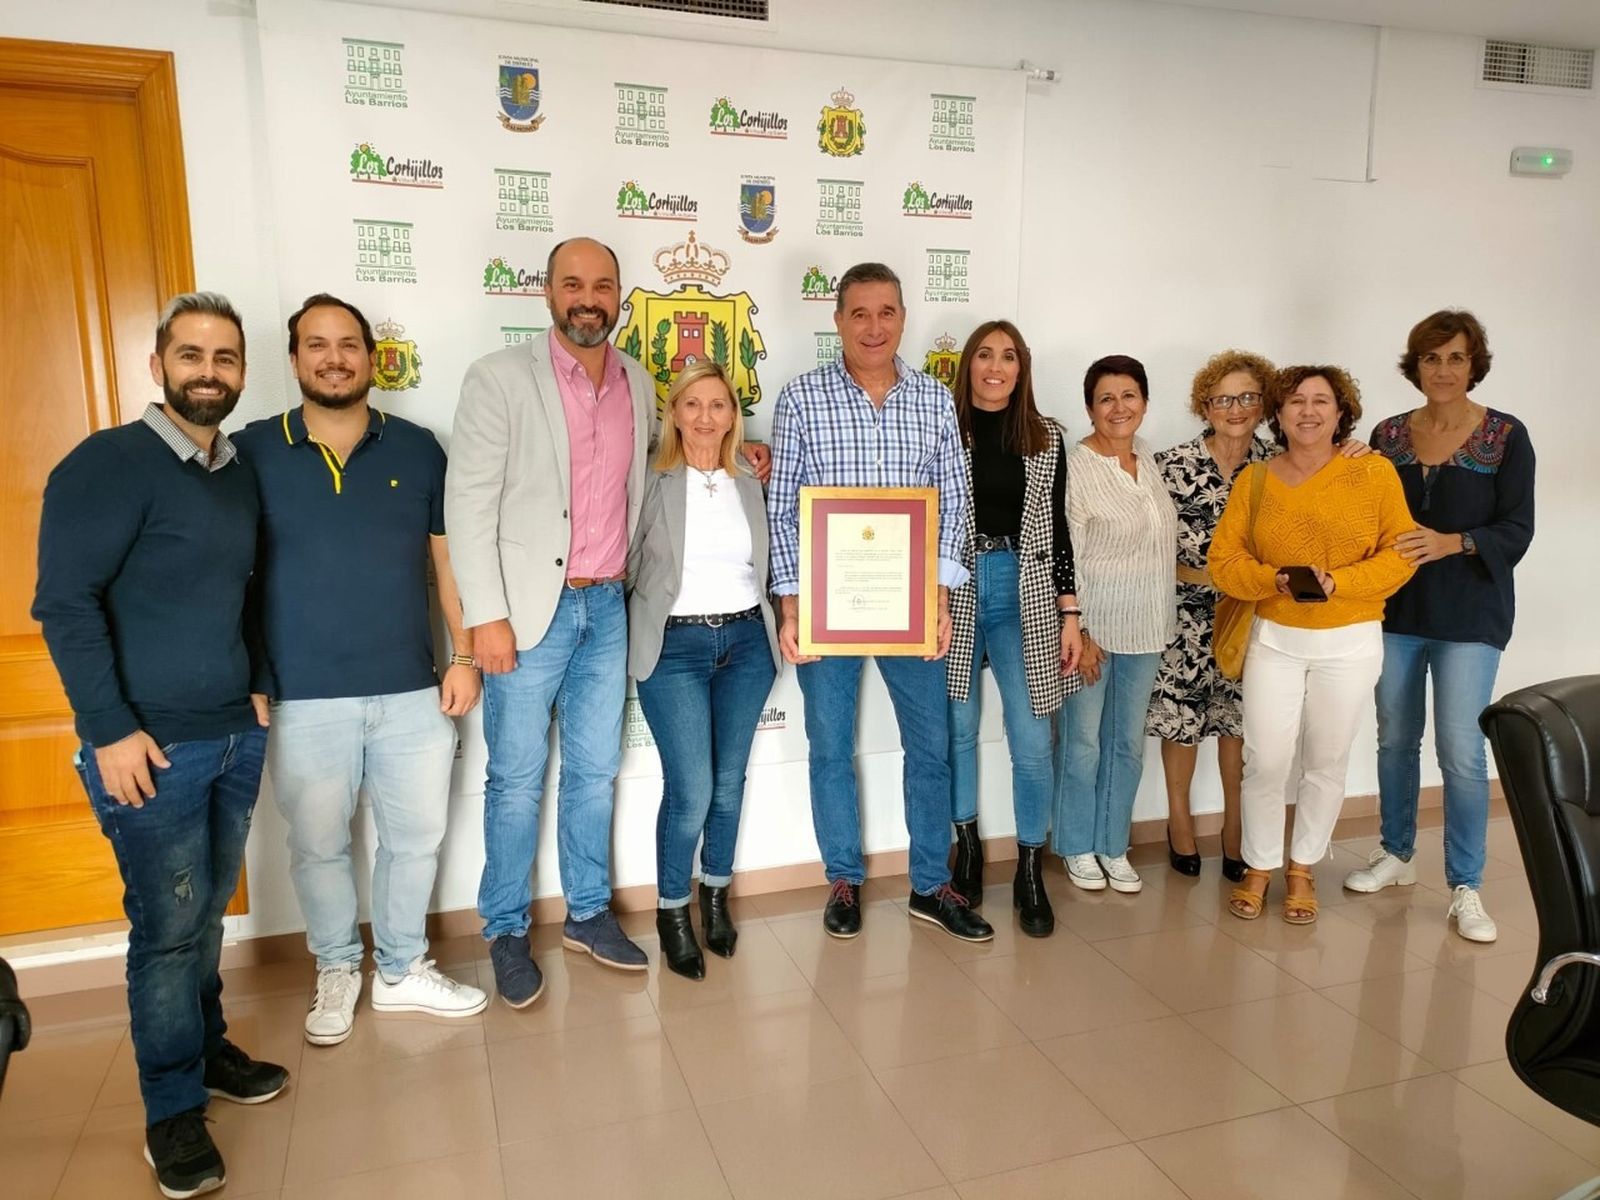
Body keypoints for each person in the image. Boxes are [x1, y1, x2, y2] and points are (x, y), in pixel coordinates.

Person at [33, 293, 288, 1199]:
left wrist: (257, 681)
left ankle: (207, 1051)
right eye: (191, 355)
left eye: (224, 356)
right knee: (168, 932)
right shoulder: (107, 465)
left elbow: (244, 588)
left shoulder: (232, 472)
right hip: (149, 750)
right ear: (158, 366)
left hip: (231, 734)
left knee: (203, 914)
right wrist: (108, 732)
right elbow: (63, 605)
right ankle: (171, 1110)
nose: (208, 371)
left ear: (241, 370)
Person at [235, 294, 488, 1047]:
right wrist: (250, 675)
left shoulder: (419, 449)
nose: (334, 357)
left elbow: (450, 562)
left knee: (415, 841)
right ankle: (338, 968)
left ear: (372, 359)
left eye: (348, 344)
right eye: (317, 344)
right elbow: (233, 576)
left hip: (413, 688)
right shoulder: (250, 451)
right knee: (317, 846)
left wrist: (465, 655)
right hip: (303, 697)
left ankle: (404, 969)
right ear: (294, 359)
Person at [447, 237, 655, 1004]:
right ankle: (504, 927)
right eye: (573, 284)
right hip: (527, 614)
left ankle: (588, 913)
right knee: (515, 779)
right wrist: (485, 620)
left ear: (620, 296)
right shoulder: (499, 379)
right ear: (547, 293)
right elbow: (467, 506)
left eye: (602, 284)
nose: (588, 298)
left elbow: (652, 480)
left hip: (608, 606)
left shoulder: (639, 380)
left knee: (596, 772)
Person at [768, 261, 993, 943]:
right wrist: (790, 606)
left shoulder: (931, 400)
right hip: (826, 610)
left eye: (886, 312)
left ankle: (930, 884)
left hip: (910, 605)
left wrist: (942, 596)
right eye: (859, 313)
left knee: (929, 748)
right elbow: (783, 513)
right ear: (837, 320)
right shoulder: (801, 398)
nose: (873, 327)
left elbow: (955, 502)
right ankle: (843, 878)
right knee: (830, 746)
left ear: (903, 318)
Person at [1343, 311, 1535, 943]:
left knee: (1459, 750)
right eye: (1431, 359)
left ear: (1474, 362)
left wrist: (1455, 542)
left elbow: (1517, 528)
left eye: (1455, 358)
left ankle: (1466, 886)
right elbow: (1365, 512)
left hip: (1470, 617)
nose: (1444, 370)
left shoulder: (1506, 436)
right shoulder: (1389, 435)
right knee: (1394, 739)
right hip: (1394, 612)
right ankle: (1396, 853)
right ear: (1415, 365)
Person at [1211, 365, 1415, 924]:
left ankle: (1302, 867)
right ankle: (1258, 865)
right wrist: (1273, 579)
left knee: (1326, 761)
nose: (1308, 411)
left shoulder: (1373, 473)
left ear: (1340, 412)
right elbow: (1224, 562)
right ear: (1277, 414)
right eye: (1295, 401)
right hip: (1274, 639)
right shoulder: (1254, 481)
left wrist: (1340, 583)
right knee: (1267, 759)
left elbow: (1401, 553)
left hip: (1350, 641)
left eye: (1321, 401)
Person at [627, 361, 779, 979]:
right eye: (693, 404)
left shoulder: (751, 475)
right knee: (690, 789)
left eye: (718, 405)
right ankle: (671, 910)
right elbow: (629, 563)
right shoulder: (650, 478)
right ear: (674, 412)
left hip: (746, 643)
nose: (705, 417)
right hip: (675, 649)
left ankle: (715, 894)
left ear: (732, 414)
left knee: (729, 782)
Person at [944, 320, 1081, 937]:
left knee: (1031, 741)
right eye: (984, 355)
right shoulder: (943, 426)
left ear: (1022, 368)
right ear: (968, 363)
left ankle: (1029, 865)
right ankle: (967, 847)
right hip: (957, 586)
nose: (995, 367)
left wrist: (1070, 614)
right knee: (957, 731)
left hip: (1025, 591)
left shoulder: (1047, 436)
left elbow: (1059, 528)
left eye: (1008, 357)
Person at [1145, 351, 1277, 881]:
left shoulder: (1278, 466)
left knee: (1238, 725)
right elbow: (1149, 546)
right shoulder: (1172, 465)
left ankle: (1234, 829)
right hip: (1183, 614)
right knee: (1181, 723)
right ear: (1206, 405)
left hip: (1253, 616)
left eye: (1247, 396)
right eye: (1224, 398)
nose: (1236, 408)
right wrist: (1205, 578)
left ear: (1263, 404)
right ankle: (1179, 822)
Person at [1052, 356, 1177, 895]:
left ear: (1145, 404)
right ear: (1089, 408)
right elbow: (1066, 554)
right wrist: (1080, 627)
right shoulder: (1075, 466)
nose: (1119, 407)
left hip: (1148, 626)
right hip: (1093, 631)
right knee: (1082, 743)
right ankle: (1077, 845)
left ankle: (1113, 844)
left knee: (1126, 743)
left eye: (1129, 396)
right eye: (1106, 398)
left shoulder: (1147, 458)